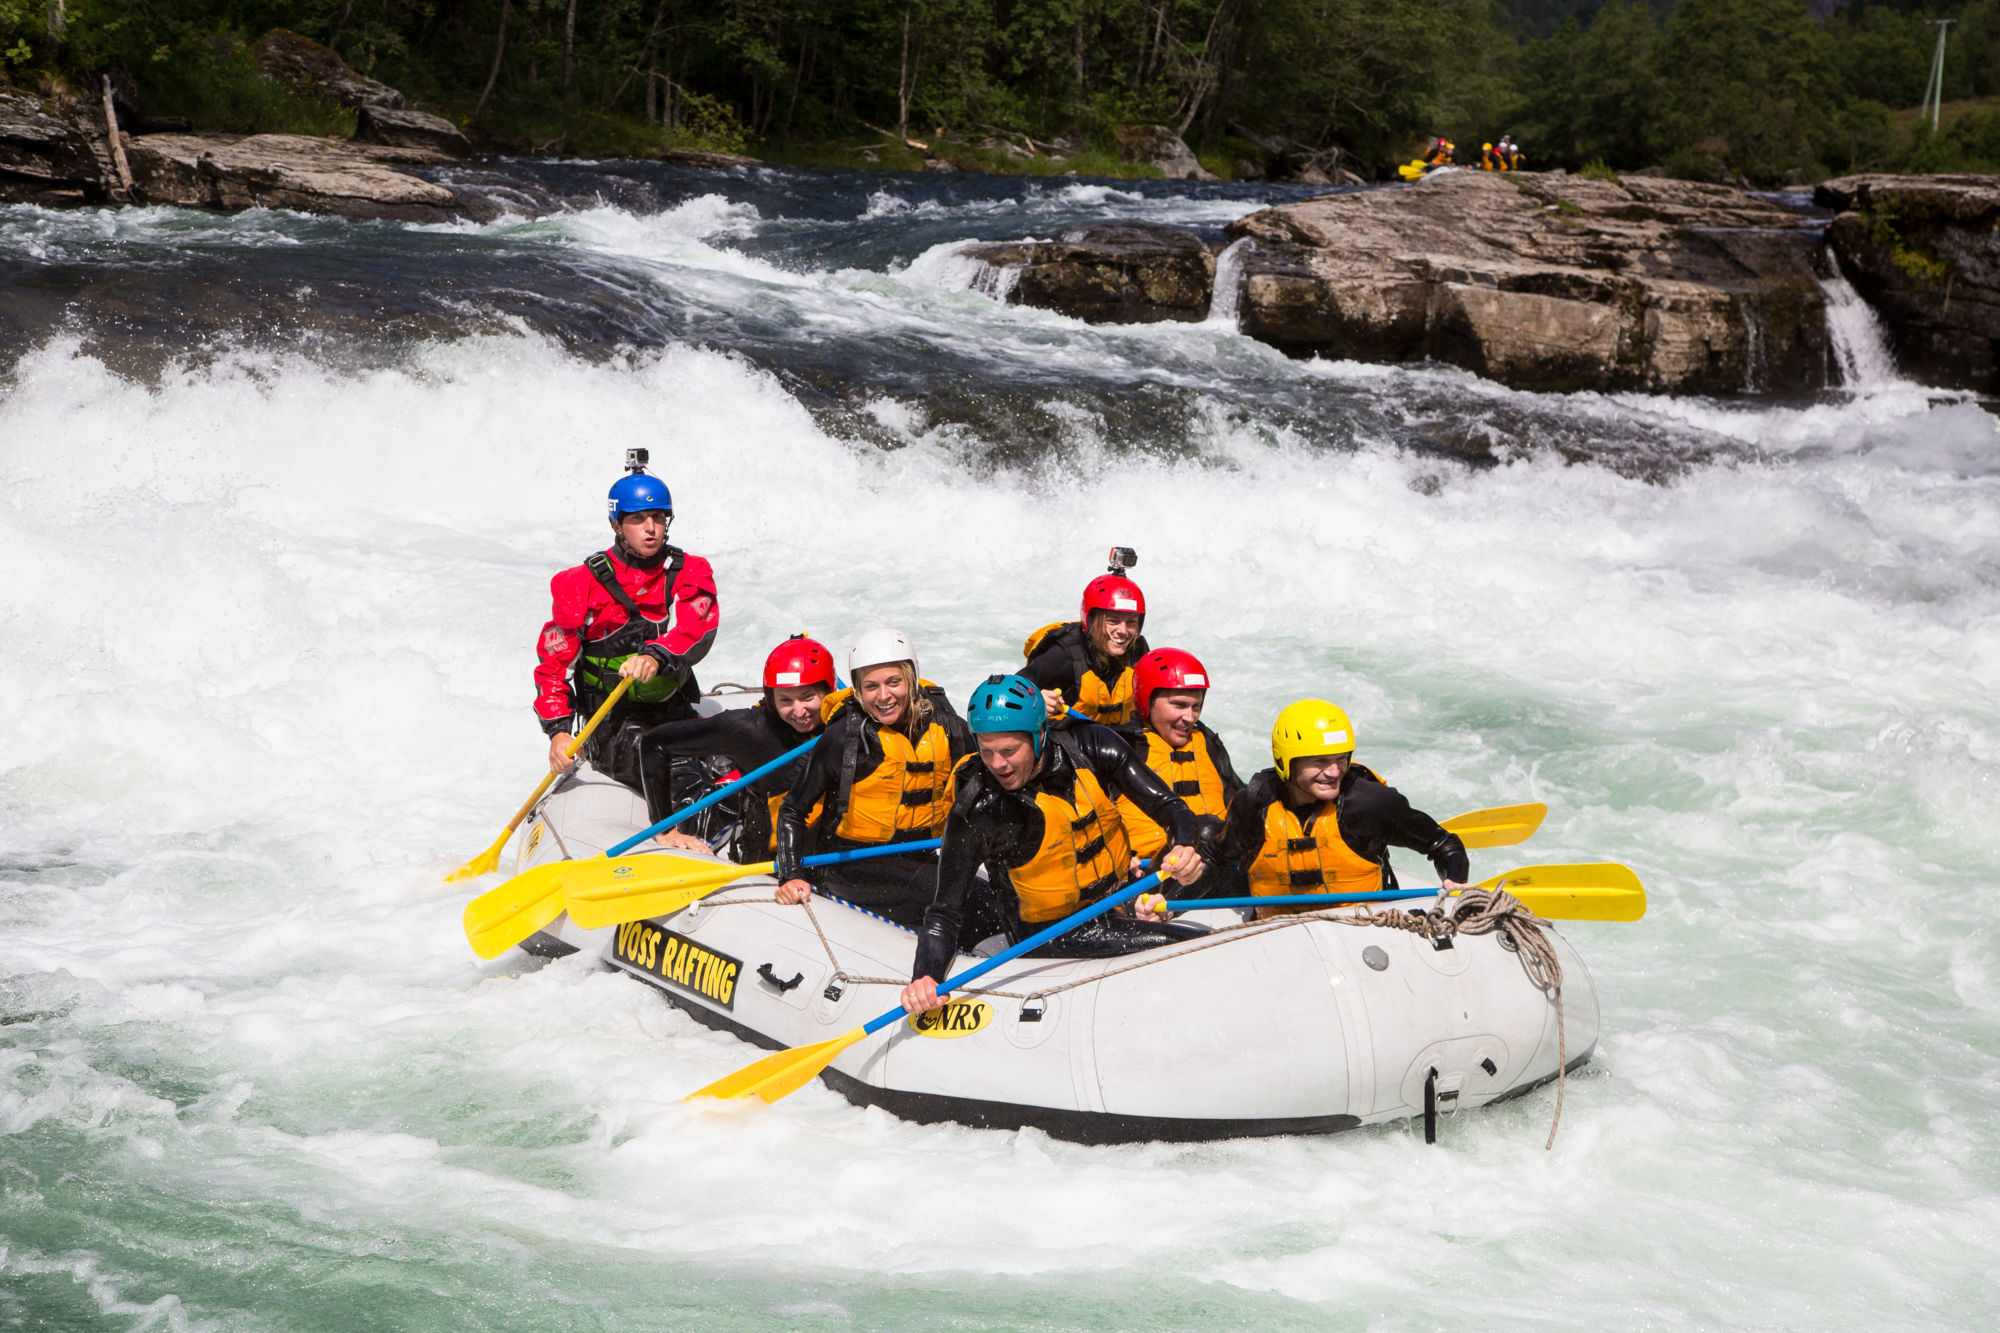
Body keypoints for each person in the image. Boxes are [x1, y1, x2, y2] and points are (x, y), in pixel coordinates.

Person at [901, 675, 1208, 1015]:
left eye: (1009, 750)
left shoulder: (1092, 747)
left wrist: (1184, 847)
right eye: (986, 750)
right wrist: (924, 976)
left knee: (1208, 846)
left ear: (1039, 736)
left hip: (1118, 896)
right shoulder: (979, 808)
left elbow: (1171, 808)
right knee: (1192, 946)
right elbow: (945, 911)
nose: (998, 764)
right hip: (1049, 935)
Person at [533, 451, 719, 821]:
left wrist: (656, 656)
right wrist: (558, 732)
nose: (651, 528)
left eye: (658, 517)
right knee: (683, 779)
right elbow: (553, 668)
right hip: (612, 721)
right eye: (638, 519)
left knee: (733, 763)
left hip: (673, 706)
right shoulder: (581, 583)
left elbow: (697, 629)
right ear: (618, 525)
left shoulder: (688, 570)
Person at [773, 629, 972, 929]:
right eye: (871, 686)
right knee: (952, 896)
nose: (883, 696)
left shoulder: (949, 728)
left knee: (978, 893)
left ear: (913, 680)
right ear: (857, 691)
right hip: (849, 867)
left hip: (921, 855)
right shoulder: (844, 738)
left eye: (894, 682)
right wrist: (791, 875)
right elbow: (792, 810)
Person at [1207, 700, 1468, 919]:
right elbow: (1218, 859)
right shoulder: (1254, 804)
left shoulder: (1369, 803)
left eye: (1341, 759)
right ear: (1285, 762)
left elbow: (1443, 844)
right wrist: (1168, 904)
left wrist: (1453, 882)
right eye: (1320, 761)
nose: (1334, 772)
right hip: (1276, 932)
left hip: (1361, 932)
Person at [639, 635, 834, 860]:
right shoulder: (748, 729)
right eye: (786, 700)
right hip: (768, 861)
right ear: (771, 699)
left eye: (807, 697)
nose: (799, 712)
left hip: (827, 855)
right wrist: (665, 830)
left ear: (827, 691)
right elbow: (655, 743)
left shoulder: (846, 722)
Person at [1110, 647, 1244, 865]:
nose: (1189, 717)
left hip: (1213, 866)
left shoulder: (1208, 743)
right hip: (1150, 871)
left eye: (1196, 707)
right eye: (1179, 705)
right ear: (1147, 700)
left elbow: (1240, 803)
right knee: (1206, 830)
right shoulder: (1124, 745)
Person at [1022, 549, 1150, 725]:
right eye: (1113, 621)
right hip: (1071, 746)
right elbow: (1008, 693)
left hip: (1118, 745)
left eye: (1131, 623)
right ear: (1092, 621)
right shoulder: (1063, 654)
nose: (1123, 631)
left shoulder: (1139, 652)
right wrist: (1035, 701)